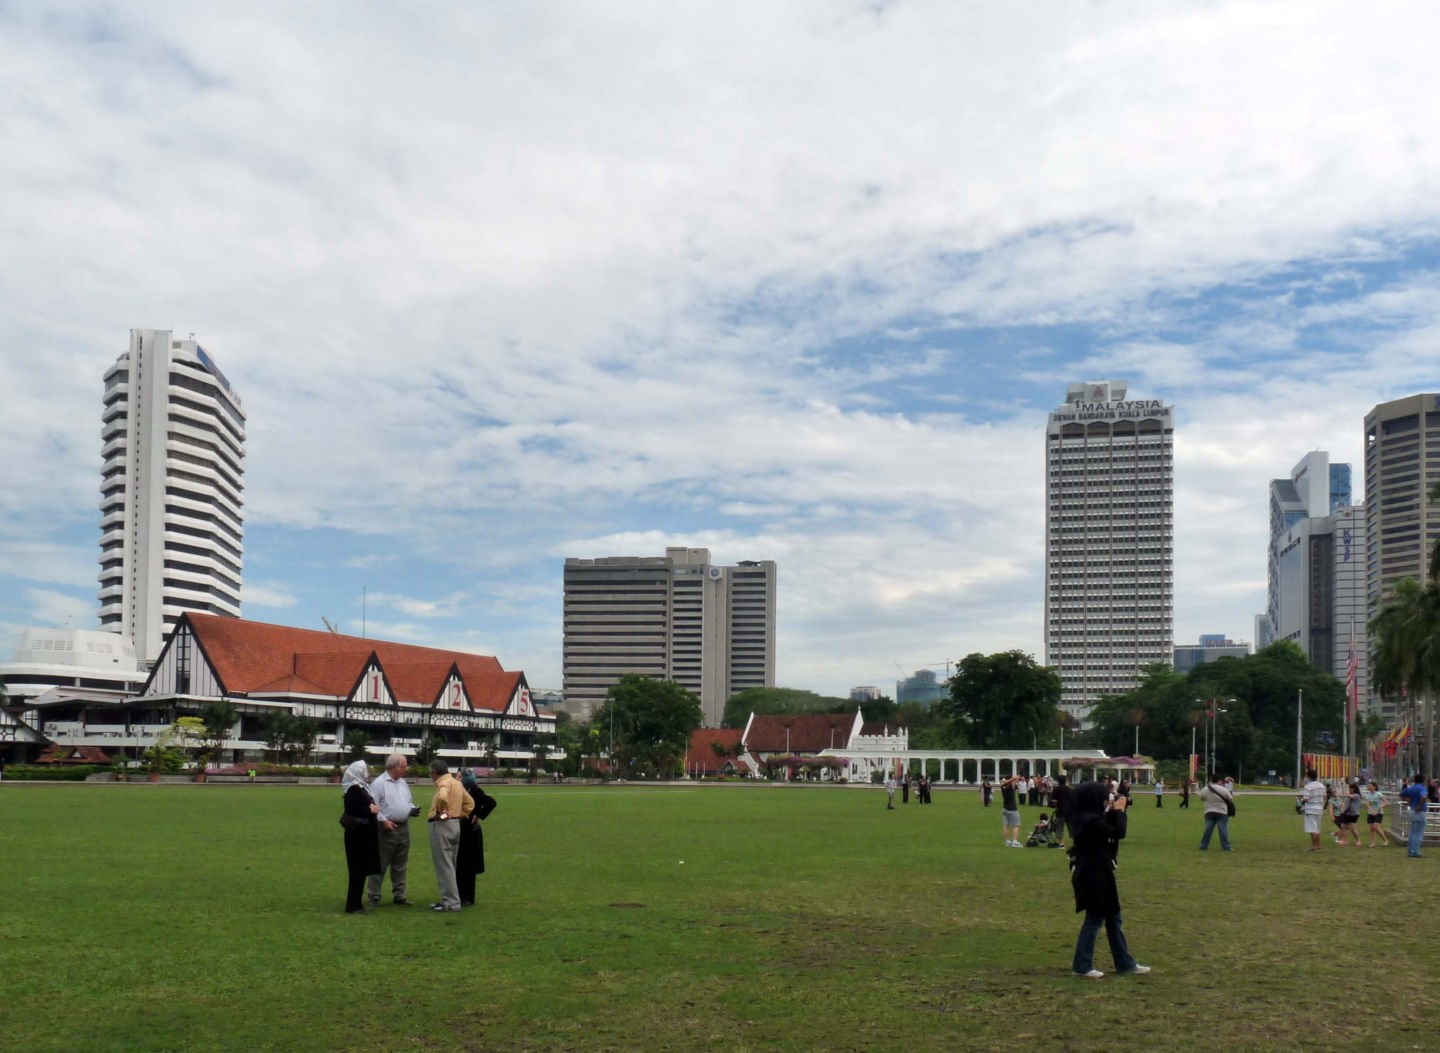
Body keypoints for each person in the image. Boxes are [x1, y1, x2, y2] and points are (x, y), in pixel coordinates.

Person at [1066, 781, 1150, 979]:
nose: (1106, 800)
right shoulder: (1090, 821)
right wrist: (1119, 811)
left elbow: (1111, 834)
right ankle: (1081, 965)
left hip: (1099, 871)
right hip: (1093, 873)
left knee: (1113, 917)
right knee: (1095, 918)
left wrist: (1115, 811)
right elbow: (1118, 832)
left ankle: (1125, 963)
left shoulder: (1085, 817)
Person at [367, 753, 418, 906]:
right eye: (403, 766)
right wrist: (383, 820)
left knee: (400, 863)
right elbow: (372, 806)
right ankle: (374, 895)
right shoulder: (379, 783)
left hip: (403, 827)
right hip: (387, 828)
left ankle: (399, 895)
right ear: (394, 767)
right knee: (381, 863)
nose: (406, 769)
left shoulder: (403, 783)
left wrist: (412, 809)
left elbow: (408, 801)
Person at [427, 759, 473, 912]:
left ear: (435, 772)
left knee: (444, 865)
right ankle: (449, 899)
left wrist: (442, 812)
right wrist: (458, 814)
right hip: (455, 825)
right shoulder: (457, 783)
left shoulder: (444, 783)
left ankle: (451, 902)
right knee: (450, 865)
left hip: (441, 825)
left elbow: (442, 798)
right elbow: (470, 803)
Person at [340, 760, 380, 914]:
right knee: (356, 870)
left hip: (364, 834)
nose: (367, 773)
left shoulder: (362, 788)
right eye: (365, 771)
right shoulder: (354, 789)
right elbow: (351, 809)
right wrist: (370, 810)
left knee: (361, 870)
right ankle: (352, 905)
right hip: (357, 835)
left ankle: (357, 903)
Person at [456, 769, 496, 906]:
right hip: (461, 831)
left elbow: (491, 802)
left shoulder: (475, 790)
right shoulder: (461, 790)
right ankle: (460, 895)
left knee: (468, 865)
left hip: (471, 833)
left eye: (459, 776)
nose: (457, 778)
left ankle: (468, 897)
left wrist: (478, 814)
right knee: (460, 864)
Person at [1197, 775, 1233, 851]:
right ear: (1219, 780)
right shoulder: (1223, 789)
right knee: (1223, 830)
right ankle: (1226, 847)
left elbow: (1202, 798)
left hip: (1209, 811)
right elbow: (1230, 798)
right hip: (1222, 811)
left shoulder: (1205, 789)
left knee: (1208, 830)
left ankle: (1203, 846)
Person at [1298, 768, 1327, 852]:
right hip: (1319, 808)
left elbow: (1306, 799)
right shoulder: (1322, 786)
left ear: (1309, 777)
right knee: (1317, 828)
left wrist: (1301, 799)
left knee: (1312, 828)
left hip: (1311, 809)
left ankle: (1314, 846)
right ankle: (1318, 845)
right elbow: (1325, 797)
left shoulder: (1308, 787)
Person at [1400, 772, 1428, 858]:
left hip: (1412, 811)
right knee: (1418, 833)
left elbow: (1401, 794)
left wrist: (1408, 800)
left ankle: (1410, 851)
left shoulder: (1411, 788)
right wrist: (1419, 806)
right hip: (1419, 812)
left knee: (1412, 832)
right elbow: (1424, 797)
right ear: (1423, 781)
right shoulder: (1422, 788)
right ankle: (1415, 851)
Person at [1363, 781, 1390, 848]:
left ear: (1374, 787)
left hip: (1379, 813)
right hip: (1370, 813)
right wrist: (1372, 811)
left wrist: (1381, 807)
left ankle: (1385, 840)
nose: (1368, 787)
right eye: (1368, 786)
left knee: (1376, 828)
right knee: (1371, 829)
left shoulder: (1378, 794)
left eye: (1370, 786)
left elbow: (1387, 803)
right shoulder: (1368, 795)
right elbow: (1368, 804)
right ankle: (1373, 843)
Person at [1336, 783, 1363, 847]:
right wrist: (1342, 810)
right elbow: (1345, 803)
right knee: (1343, 827)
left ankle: (1358, 840)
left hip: (1353, 814)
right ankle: (1345, 840)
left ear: (1354, 789)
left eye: (1350, 788)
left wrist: (1348, 793)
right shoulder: (1349, 795)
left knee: (1352, 828)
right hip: (1345, 813)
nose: (1349, 790)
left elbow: (1349, 796)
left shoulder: (1357, 795)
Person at [1000, 774, 1023, 847]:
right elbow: (1010, 782)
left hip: (1005, 809)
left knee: (1005, 826)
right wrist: (1014, 778)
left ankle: (1007, 841)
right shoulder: (1010, 787)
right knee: (1016, 825)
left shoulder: (1003, 787)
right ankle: (1015, 842)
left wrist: (1014, 778)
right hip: (1012, 809)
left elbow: (1006, 782)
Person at [1051, 776, 1072, 848]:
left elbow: (1054, 800)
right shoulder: (1069, 789)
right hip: (1069, 811)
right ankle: (1076, 842)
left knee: (1060, 827)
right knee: (1071, 827)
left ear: (1058, 781)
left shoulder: (1056, 789)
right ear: (1065, 781)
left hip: (1060, 810)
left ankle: (1061, 843)